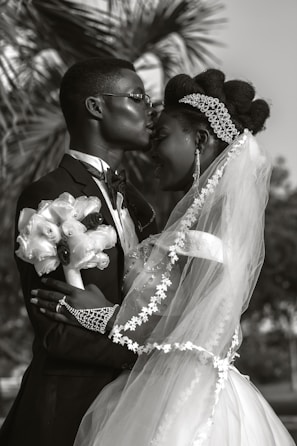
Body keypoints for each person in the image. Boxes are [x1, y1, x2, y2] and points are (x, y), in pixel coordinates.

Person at [30, 69, 295, 445]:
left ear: (200, 140)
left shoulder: (208, 233)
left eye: (163, 137)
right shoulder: (169, 218)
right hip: (144, 393)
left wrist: (103, 315)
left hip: (183, 404)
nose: (153, 147)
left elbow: (205, 331)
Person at [0, 57, 158, 446]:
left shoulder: (139, 204)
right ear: (96, 106)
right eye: (138, 98)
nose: (150, 111)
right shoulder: (49, 197)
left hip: (133, 412)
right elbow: (57, 331)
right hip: (66, 415)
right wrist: (151, 354)